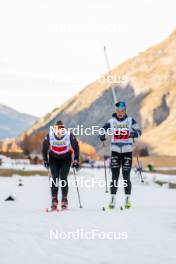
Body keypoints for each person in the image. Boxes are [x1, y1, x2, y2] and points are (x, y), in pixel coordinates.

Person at [99, 101, 142, 209]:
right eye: (118, 111)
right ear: (116, 111)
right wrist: (102, 135)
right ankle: (112, 200)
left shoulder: (130, 120)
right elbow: (103, 129)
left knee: (126, 177)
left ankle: (127, 200)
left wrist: (134, 133)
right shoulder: (111, 121)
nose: (120, 113)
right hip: (115, 152)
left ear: (125, 111)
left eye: (122, 111)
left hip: (127, 151)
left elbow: (139, 131)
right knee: (114, 177)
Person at [42, 120, 80, 210]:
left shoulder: (69, 135)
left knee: (63, 177)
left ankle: (64, 199)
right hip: (53, 158)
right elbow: (44, 149)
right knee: (55, 177)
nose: (59, 131)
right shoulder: (49, 136)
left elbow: (76, 147)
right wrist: (45, 160)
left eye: (61, 129)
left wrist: (76, 160)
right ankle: (54, 199)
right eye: (57, 129)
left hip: (66, 158)